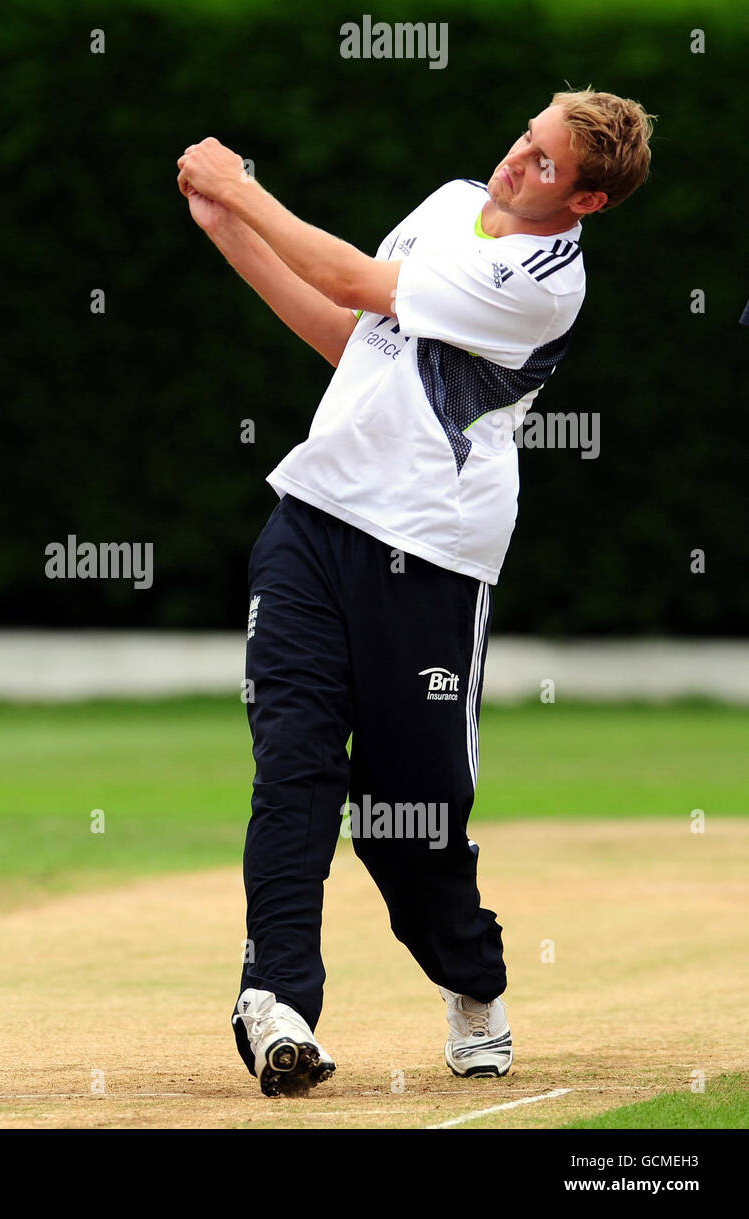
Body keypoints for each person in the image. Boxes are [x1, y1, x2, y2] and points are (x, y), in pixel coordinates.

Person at [177, 90, 654, 1097]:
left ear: (588, 201)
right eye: (524, 136)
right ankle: (278, 1003)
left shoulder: (540, 283)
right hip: (311, 520)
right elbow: (347, 330)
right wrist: (232, 231)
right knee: (293, 759)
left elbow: (352, 274)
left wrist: (242, 187)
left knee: (409, 817)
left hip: (431, 557)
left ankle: (471, 982)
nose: (514, 159)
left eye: (542, 162)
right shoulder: (445, 205)